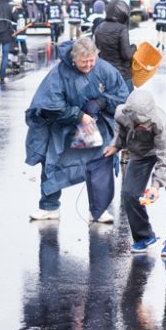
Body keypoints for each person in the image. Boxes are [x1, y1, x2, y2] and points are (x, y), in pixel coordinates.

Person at [26, 37, 129, 221]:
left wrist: (102, 102)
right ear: (74, 59)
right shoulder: (59, 73)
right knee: (53, 162)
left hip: (97, 126)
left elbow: (121, 95)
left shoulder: (104, 69)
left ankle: (98, 211)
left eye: (92, 60)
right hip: (64, 127)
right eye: (84, 61)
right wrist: (78, 115)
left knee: (100, 163)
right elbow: (51, 104)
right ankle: (49, 207)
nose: (89, 65)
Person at [103, 89, 166, 258]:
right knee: (129, 193)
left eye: (145, 122)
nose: (143, 126)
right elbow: (121, 132)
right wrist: (115, 145)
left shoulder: (159, 121)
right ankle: (144, 236)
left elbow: (164, 155)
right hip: (141, 153)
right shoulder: (121, 113)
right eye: (139, 122)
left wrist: (155, 186)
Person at [94, 0, 136, 90]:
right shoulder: (122, 28)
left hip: (104, 74)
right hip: (122, 75)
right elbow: (127, 55)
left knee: (109, 102)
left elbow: (96, 50)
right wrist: (134, 47)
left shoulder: (99, 27)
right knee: (127, 103)